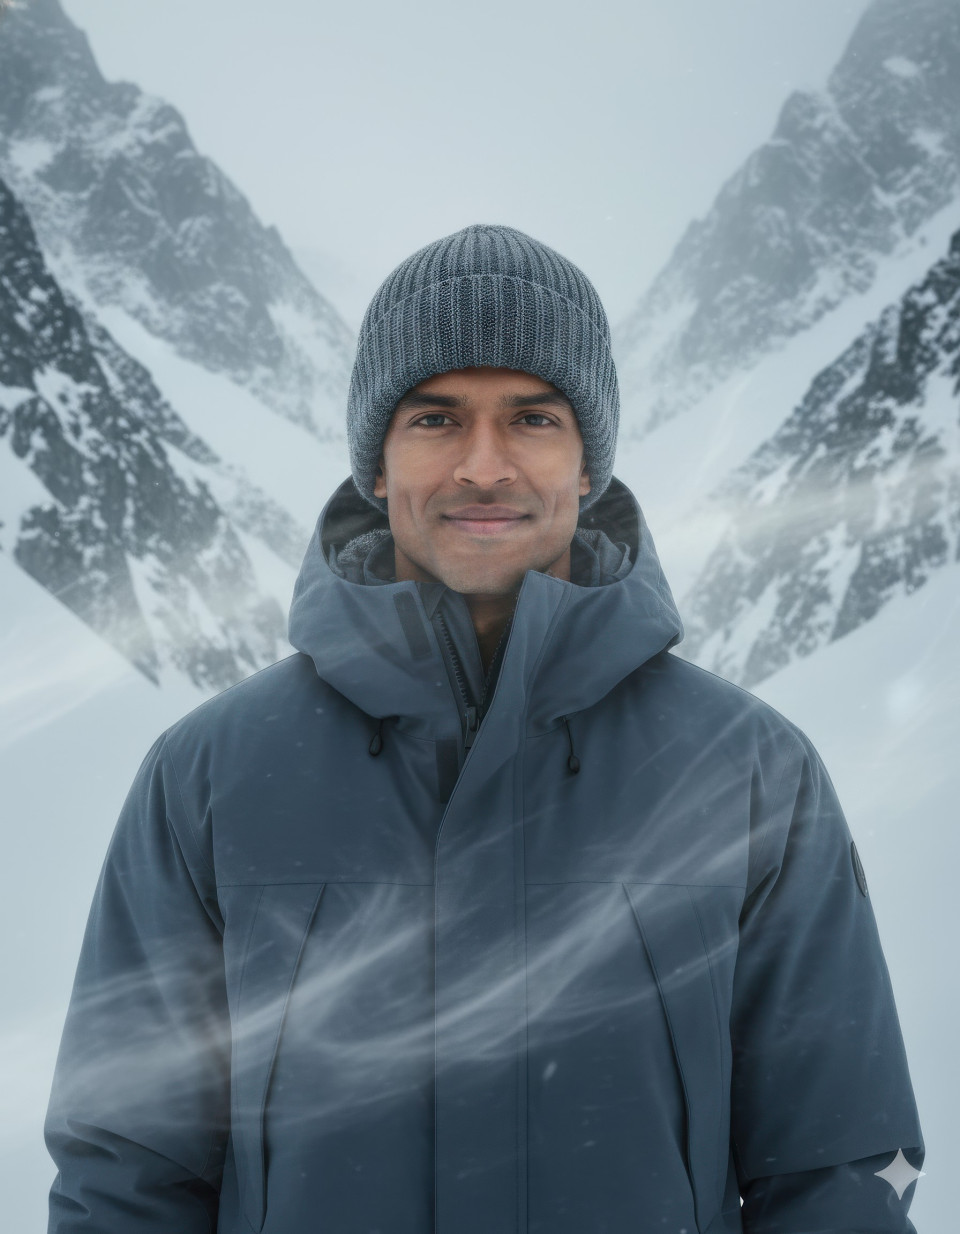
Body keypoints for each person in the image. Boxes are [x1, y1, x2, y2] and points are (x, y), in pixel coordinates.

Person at [46, 224, 924, 1233]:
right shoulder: (208, 776)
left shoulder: (753, 773)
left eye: (533, 418)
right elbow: (125, 1169)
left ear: (586, 462)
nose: (484, 465)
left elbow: (835, 1168)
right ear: (376, 464)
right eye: (434, 418)